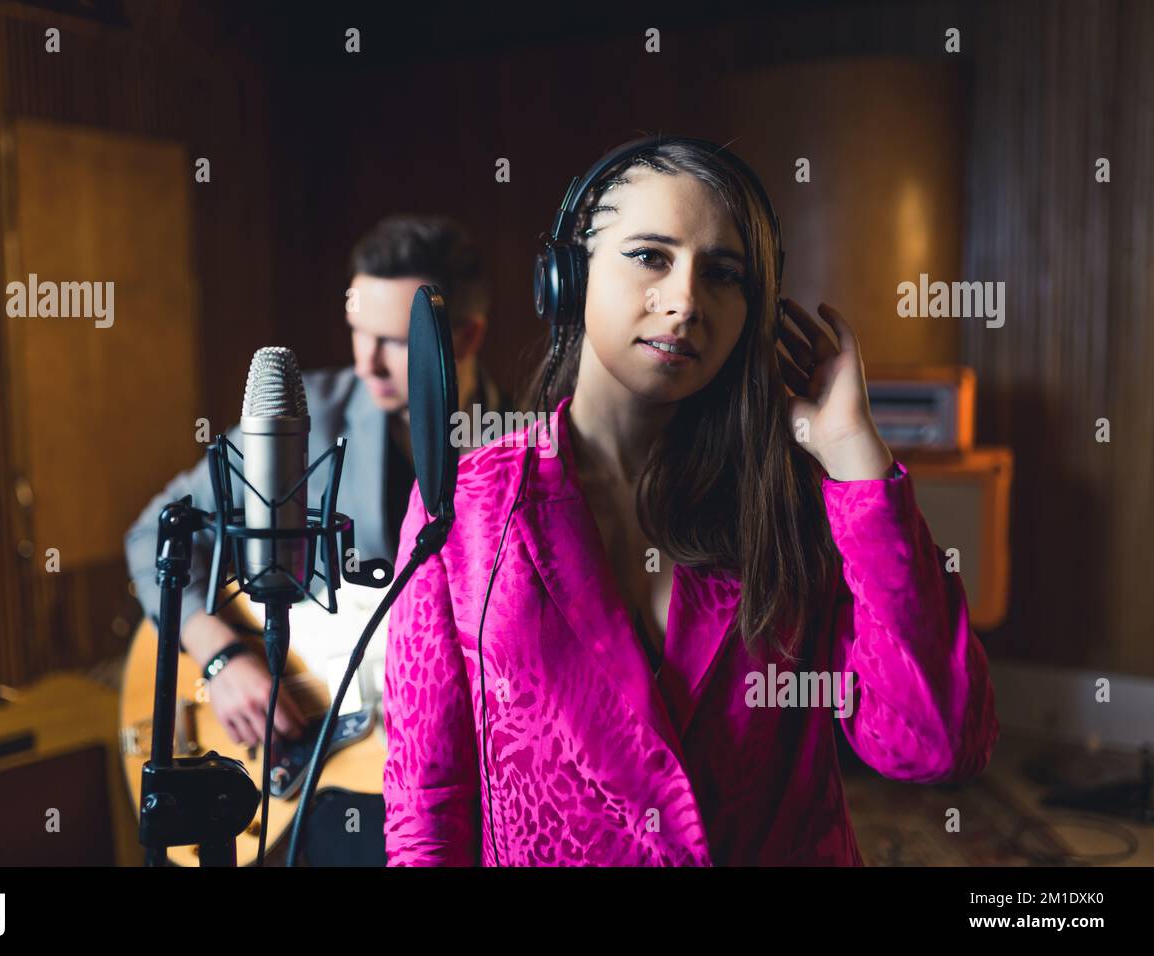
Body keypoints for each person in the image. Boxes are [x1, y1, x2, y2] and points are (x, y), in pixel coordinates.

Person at [381, 137, 1000, 866]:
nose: (683, 301)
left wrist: (856, 458)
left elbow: (935, 743)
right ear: (565, 276)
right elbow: (427, 809)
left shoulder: (797, 499)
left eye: (724, 274)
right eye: (650, 255)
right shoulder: (465, 504)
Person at [124, 214, 509, 749]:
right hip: (314, 774)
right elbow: (153, 536)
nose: (366, 363)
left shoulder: (526, 451)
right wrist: (221, 657)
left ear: (468, 335)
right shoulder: (307, 419)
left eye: (394, 342)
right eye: (359, 333)